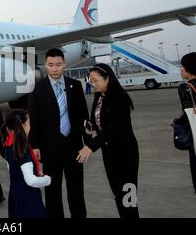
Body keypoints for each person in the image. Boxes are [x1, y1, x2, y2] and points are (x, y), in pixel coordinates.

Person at [28, 48, 89, 218]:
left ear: (64, 64)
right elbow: (33, 119)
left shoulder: (75, 86)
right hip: (49, 151)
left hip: (75, 149)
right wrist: (35, 145)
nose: (55, 69)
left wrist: (88, 144)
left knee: (76, 192)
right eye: (51, 65)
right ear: (45, 66)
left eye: (58, 64)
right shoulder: (37, 89)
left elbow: (84, 117)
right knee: (52, 193)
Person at [77, 63, 139, 218]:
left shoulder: (119, 97)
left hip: (125, 153)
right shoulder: (100, 95)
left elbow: (114, 127)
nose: (92, 83)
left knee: (127, 195)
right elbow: (97, 118)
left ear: (107, 78)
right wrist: (90, 126)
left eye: (95, 80)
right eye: (91, 80)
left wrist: (90, 146)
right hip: (109, 152)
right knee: (118, 193)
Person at [1, 109, 50, 218]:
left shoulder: (9, 145)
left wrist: (33, 171)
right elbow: (30, 180)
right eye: (29, 124)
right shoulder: (22, 149)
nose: (30, 127)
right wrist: (47, 180)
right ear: (22, 126)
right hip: (28, 199)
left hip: (15, 196)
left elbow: (13, 169)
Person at [176, 52, 196, 193]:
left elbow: (187, 114)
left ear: (189, 68)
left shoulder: (186, 87)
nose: (180, 69)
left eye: (182, 66)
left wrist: (177, 122)